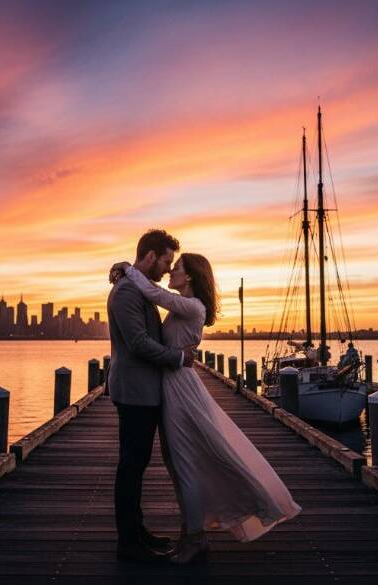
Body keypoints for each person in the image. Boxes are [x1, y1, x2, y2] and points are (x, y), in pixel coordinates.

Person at [110, 249, 301, 564]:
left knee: (184, 463)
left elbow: (153, 292)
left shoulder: (191, 306)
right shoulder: (184, 307)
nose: (171, 271)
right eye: (170, 265)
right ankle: (189, 533)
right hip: (170, 388)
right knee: (177, 463)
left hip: (179, 389)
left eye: (177, 267)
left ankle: (196, 539)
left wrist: (128, 268)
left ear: (189, 277)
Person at [107, 229, 196, 562]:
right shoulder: (128, 292)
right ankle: (128, 543)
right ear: (150, 256)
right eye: (165, 261)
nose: (166, 268)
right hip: (134, 392)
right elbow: (139, 344)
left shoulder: (139, 288)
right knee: (131, 465)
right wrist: (179, 358)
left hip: (144, 392)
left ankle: (137, 532)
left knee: (137, 463)